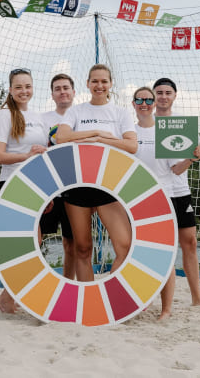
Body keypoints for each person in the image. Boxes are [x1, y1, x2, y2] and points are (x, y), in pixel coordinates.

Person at [56, 64, 137, 282]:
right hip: (77, 183)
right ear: (88, 84)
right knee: (82, 249)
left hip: (109, 184)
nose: (99, 86)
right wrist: (95, 132)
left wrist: (103, 139)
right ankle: (88, 302)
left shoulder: (120, 113)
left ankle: (112, 294)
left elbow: (132, 146)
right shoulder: (76, 111)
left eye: (104, 81)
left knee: (125, 245)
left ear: (111, 84)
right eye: (95, 81)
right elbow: (61, 138)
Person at [153, 77, 200, 307]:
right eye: (159, 92)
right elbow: (179, 165)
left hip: (181, 191)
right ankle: (160, 301)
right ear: (153, 96)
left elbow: (193, 157)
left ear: (174, 96)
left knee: (189, 243)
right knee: (164, 247)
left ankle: (197, 298)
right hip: (158, 194)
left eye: (167, 92)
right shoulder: (146, 125)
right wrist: (191, 157)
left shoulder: (181, 126)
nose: (163, 96)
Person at [0, 67, 48, 313]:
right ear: (10, 90)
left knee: (36, 241)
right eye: (18, 87)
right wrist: (26, 155)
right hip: (14, 185)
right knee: (27, 243)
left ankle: (8, 297)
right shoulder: (5, 115)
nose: (24, 91)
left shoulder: (38, 116)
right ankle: (13, 296)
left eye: (28, 86)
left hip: (36, 185)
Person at [132, 86, 176, 320]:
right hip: (133, 200)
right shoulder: (127, 132)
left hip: (161, 198)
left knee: (164, 255)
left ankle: (166, 310)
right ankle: (139, 300)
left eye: (149, 99)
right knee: (136, 253)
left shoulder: (165, 131)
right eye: (139, 99)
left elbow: (177, 168)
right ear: (134, 104)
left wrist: (193, 155)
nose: (145, 103)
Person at [40, 73, 77, 279]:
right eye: (57, 88)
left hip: (75, 187)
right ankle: (35, 282)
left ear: (73, 92)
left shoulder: (81, 117)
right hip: (49, 187)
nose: (62, 92)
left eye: (66, 87)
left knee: (72, 242)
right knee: (36, 238)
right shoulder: (43, 120)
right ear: (52, 94)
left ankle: (68, 283)